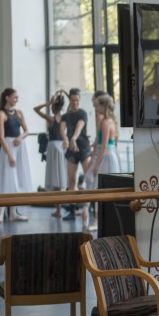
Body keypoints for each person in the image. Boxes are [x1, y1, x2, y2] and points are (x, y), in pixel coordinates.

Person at [0, 87, 32, 223]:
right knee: (6, 178)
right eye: (15, 97)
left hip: (19, 147)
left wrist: (20, 137)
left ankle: (13, 212)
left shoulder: (19, 113)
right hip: (7, 148)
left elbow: (26, 131)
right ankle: (1, 213)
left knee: (17, 179)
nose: (17, 99)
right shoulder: (1, 114)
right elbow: (1, 137)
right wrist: (9, 154)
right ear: (7, 98)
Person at [82, 94, 119, 231]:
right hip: (110, 155)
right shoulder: (110, 121)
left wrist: (95, 165)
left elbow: (102, 146)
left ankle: (97, 220)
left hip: (106, 157)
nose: (96, 108)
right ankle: (98, 219)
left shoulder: (105, 122)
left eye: (98, 105)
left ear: (104, 106)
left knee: (98, 187)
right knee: (100, 188)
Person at [34, 91, 67, 215]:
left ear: (53, 106)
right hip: (61, 147)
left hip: (54, 147)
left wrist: (48, 103)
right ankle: (59, 209)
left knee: (55, 178)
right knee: (59, 178)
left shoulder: (52, 119)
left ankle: (58, 210)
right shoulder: (65, 118)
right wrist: (63, 93)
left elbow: (35, 109)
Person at [61, 88, 90, 221]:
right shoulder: (65, 116)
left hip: (83, 147)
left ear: (79, 100)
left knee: (89, 178)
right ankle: (72, 210)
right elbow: (62, 129)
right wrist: (66, 138)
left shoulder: (82, 113)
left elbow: (79, 127)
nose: (75, 102)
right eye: (73, 100)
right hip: (71, 150)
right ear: (70, 100)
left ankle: (89, 208)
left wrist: (73, 138)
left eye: (77, 100)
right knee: (71, 180)